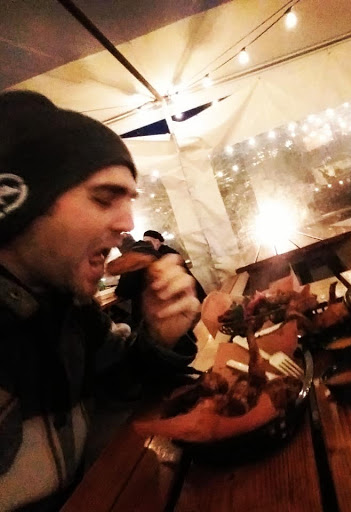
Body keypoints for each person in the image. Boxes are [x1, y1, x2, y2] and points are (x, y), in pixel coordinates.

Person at [0, 90, 201, 511]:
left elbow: (118, 381)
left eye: (128, 201)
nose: (127, 223)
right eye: (104, 199)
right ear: (18, 203)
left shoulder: (69, 308)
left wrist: (159, 336)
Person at [115, 231, 206, 328]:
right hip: (188, 303)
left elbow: (122, 291)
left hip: (173, 311)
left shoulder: (137, 257)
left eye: (148, 241)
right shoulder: (156, 252)